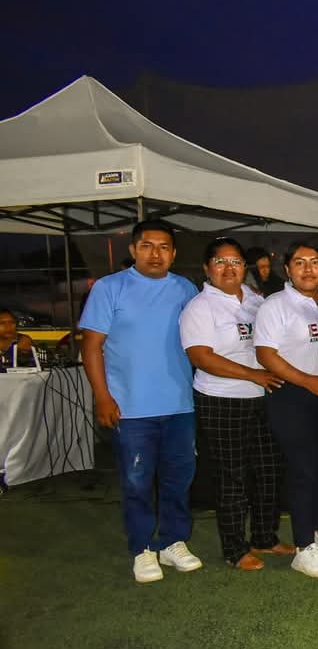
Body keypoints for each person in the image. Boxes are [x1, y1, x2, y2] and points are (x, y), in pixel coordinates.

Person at [79, 219, 203, 583]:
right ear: (133, 250)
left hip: (179, 404)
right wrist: (102, 396)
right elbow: (91, 347)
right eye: (147, 246)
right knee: (136, 482)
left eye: (164, 247)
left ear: (173, 253)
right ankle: (142, 548)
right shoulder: (109, 288)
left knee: (179, 479)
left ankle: (173, 541)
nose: (155, 254)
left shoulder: (185, 288)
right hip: (130, 408)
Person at [180, 237, 290, 571]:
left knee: (269, 470)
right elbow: (201, 357)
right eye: (220, 262)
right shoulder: (200, 307)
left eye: (236, 262)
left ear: (245, 267)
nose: (229, 269)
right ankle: (234, 548)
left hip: (263, 396)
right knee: (232, 476)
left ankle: (264, 537)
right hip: (222, 399)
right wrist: (252, 375)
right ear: (207, 268)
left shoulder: (256, 300)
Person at [254, 241, 318, 578]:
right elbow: (266, 355)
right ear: (287, 269)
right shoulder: (275, 305)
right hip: (292, 393)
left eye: (315, 261)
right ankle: (304, 547)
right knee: (303, 469)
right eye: (300, 262)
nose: (308, 269)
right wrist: (308, 381)